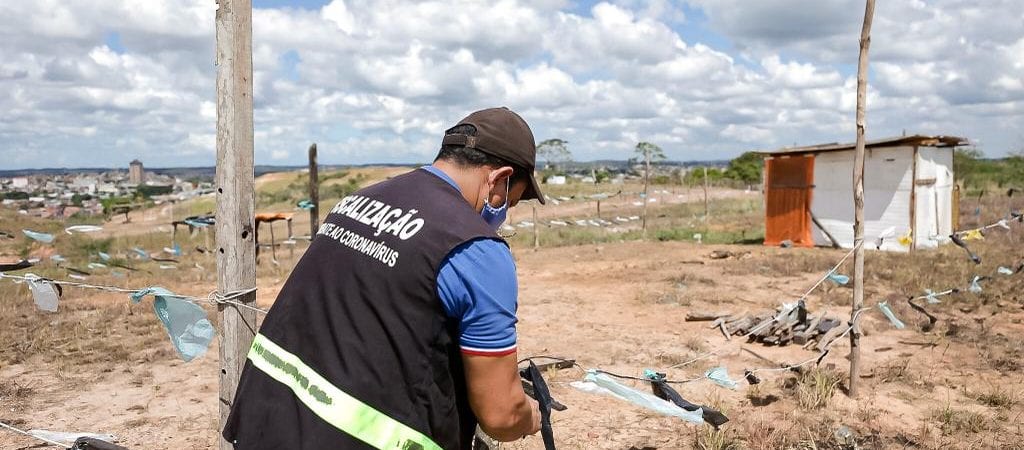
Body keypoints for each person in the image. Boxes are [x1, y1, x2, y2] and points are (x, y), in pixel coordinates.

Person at [223, 107, 546, 450]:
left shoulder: (360, 200)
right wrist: (531, 415)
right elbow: (501, 415)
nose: (503, 213)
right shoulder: (477, 249)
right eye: (508, 201)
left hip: (266, 420)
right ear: (499, 177)